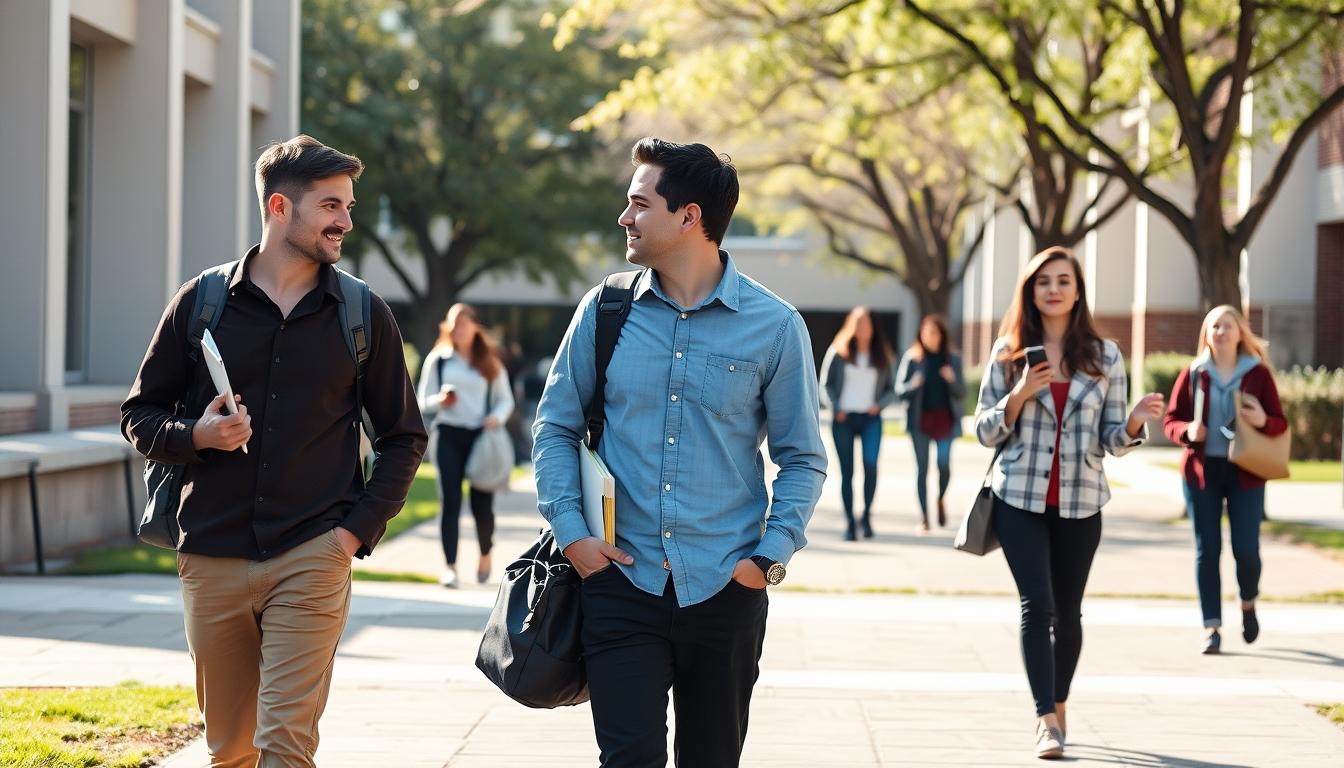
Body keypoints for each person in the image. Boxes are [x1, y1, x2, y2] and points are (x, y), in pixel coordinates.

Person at [121, 135, 427, 767]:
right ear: (281, 207)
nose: (346, 220)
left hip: (313, 551)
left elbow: (403, 436)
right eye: (331, 205)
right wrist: (197, 437)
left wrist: (352, 535)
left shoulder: (363, 313)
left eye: (348, 205)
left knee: (285, 744)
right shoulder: (200, 303)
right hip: (212, 551)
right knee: (231, 749)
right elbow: (138, 415)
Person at [531, 137, 827, 767]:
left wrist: (767, 559)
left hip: (726, 589)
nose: (625, 217)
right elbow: (554, 427)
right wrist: (574, 537)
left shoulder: (775, 327)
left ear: (690, 217)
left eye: (639, 203)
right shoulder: (604, 310)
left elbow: (802, 457)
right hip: (618, 581)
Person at [974, 246, 1164, 760]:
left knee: (1070, 612)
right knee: (1039, 606)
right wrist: (1017, 395)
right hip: (1019, 498)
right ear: (1031, 292)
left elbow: (1111, 441)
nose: (1053, 288)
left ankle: (1059, 704)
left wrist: (1134, 422)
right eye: (1043, 282)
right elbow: (984, 431)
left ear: (1077, 290)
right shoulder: (1009, 352)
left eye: (1063, 280)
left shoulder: (1105, 356)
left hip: (1082, 501)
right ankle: (1045, 722)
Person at [1162, 305, 1285, 655]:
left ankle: (1248, 602)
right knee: (1207, 550)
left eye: (1227, 326)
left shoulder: (1257, 373)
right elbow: (1171, 419)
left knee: (1246, 549)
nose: (1220, 332)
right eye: (1214, 326)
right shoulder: (1194, 372)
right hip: (1203, 472)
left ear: (1239, 332)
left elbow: (1280, 423)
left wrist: (1262, 418)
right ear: (1206, 333)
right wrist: (1187, 430)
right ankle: (1212, 627)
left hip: (1246, 471)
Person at [416, 302, 514, 587]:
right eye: (453, 324)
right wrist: (440, 401)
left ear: (474, 327)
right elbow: (422, 400)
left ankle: (485, 552)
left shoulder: (489, 361)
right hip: (448, 434)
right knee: (450, 501)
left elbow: (505, 399)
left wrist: (496, 417)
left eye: (463, 324)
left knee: (482, 505)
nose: (458, 330)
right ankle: (450, 566)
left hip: (480, 436)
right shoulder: (439, 360)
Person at [820, 306, 895, 540]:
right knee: (847, 472)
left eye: (867, 323)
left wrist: (879, 405)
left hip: (871, 418)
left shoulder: (881, 353)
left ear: (873, 327)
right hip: (844, 419)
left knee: (871, 466)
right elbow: (824, 384)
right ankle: (850, 523)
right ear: (851, 325)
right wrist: (835, 407)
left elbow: (892, 389)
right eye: (858, 323)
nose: (863, 328)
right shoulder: (838, 351)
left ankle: (867, 515)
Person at [895, 314, 965, 532]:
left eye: (934, 333)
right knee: (922, 469)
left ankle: (941, 498)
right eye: (926, 333)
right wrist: (914, 384)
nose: (930, 337)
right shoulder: (913, 358)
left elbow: (962, 393)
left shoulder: (952, 360)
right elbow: (899, 391)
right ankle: (925, 516)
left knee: (943, 465)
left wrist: (952, 380)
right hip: (920, 421)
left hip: (945, 420)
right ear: (921, 335)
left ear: (941, 335)